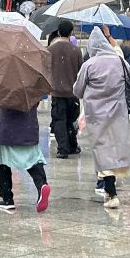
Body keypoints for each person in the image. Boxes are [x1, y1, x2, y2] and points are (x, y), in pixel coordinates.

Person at [74, 28, 130, 210]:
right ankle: (111, 187)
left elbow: (77, 90)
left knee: (102, 150)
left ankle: (110, 193)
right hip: (118, 113)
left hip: (96, 115)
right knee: (115, 148)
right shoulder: (119, 61)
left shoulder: (89, 65)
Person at [0, 105, 51, 213]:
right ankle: (42, 185)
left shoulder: (2, 88)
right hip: (28, 129)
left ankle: (7, 199)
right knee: (33, 159)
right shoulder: (31, 88)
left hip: (5, 129)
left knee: (3, 161)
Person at [48, 19, 82, 158]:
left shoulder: (50, 50)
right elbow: (81, 69)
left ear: (59, 32)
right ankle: (73, 145)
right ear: (71, 32)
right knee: (71, 120)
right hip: (72, 91)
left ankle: (63, 148)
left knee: (59, 120)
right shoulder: (76, 50)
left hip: (56, 91)